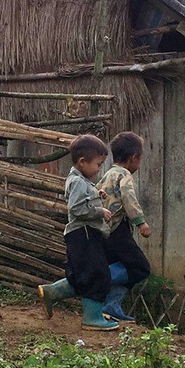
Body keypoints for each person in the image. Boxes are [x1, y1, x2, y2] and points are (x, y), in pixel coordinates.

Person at [38, 134, 119, 331]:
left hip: (84, 235)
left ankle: (51, 292)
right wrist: (100, 210)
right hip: (82, 235)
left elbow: (82, 200)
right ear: (83, 162)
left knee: (82, 275)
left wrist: (96, 195)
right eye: (98, 164)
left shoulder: (81, 180)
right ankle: (92, 318)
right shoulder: (77, 182)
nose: (100, 168)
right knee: (97, 274)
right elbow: (75, 208)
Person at [98, 132, 151, 322]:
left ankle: (111, 305)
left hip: (104, 230)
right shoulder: (124, 174)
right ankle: (98, 280)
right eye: (140, 158)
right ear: (134, 157)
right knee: (140, 268)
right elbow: (129, 198)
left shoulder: (106, 175)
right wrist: (141, 222)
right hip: (117, 229)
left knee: (120, 265)